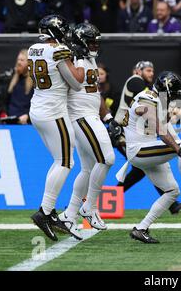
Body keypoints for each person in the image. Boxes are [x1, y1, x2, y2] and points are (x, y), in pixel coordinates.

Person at [125, 71, 181, 243]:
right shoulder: (148, 97)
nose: (175, 97)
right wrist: (179, 150)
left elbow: (169, 131)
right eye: (174, 93)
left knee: (172, 191)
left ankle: (141, 228)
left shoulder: (159, 101)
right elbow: (159, 128)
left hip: (146, 149)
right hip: (139, 150)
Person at [29, 14, 85, 242]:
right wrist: (79, 59)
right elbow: (77, 82)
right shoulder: (59, 50)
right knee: (65, 162)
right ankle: (45, 212)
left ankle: (48, 212)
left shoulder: (32, 49)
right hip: (54, 111)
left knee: (58, 160)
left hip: (37, 108)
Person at [58, 23, 115, 239]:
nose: (94, 45)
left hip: (90, 115)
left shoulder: (88, 59)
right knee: (107, 159)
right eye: (90, 41)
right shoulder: (70, 58)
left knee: (88, 168)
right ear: (80, 41)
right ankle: (89, 207)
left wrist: (108, 116)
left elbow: (94, 92)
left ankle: (69, 215)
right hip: (80, 116)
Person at [112, 60, 181, 214]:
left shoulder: (147, 91)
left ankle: (113, 196)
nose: (151, 74)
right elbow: (153, 101)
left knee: (142, 167)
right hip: (122, 132)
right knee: (141, 166)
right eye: (147, 70)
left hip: (127, 130)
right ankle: (111, 197)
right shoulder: (137, 83)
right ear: (137, 71)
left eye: (152, 71)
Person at [5, 49, 33, 124]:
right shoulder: (12, 79)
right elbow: (7, 100)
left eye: (22, 60)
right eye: (18, 60)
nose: (18, 62)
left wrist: (28, 115)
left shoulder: (34, 82)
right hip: (11, 120)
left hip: (26, 121)